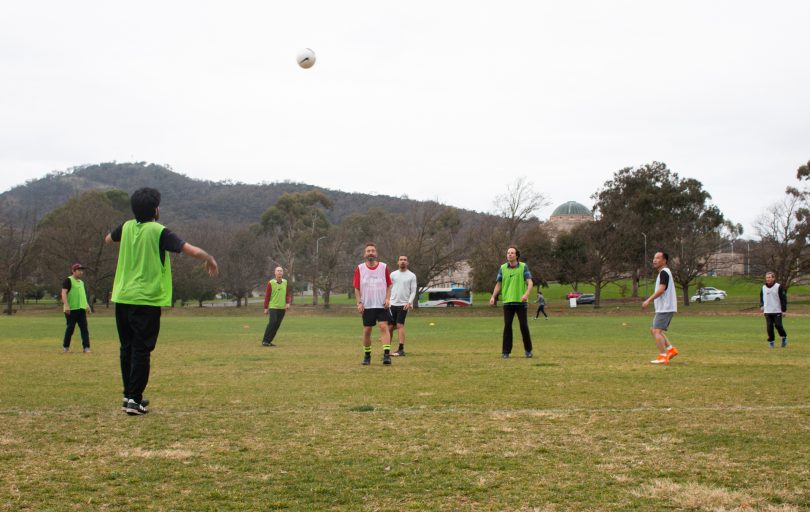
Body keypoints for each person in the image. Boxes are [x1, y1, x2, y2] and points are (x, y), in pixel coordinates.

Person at [105, 187, 218, 416]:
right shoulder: (159, 231)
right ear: (155, 210)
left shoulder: (126, 227)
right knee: (141, 350)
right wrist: (209, 257)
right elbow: (189, 250)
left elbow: (108, 239)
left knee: (126, 348)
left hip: (122, 297)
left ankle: (129, 395)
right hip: (145, 299)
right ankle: (134, 400)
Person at [489, 246, 534, 358]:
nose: (510, 254)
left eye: (512, 253)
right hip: (508, 302)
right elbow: (498, 284)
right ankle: (505, 352)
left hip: (521, 302)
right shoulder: (502, 268)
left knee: (524, 326)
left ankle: (528, 350)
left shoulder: (523, 267)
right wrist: (493, 296)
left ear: (516, 255)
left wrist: (526, 294)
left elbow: (530, 282)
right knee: (507, 326)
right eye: (508, 253)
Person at [353, 243, 393, 365]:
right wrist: (359, 302)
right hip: (367, 305)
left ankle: (386, 355)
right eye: (368, 251)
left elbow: (389, 284)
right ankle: (367, 356)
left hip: (381, 304)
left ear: (376, 253)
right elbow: (356, 287)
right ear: (365, 254)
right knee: (367, 330)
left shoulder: (383, 267)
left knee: (383, 327)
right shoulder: (360, 268)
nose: (371, 252)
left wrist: (387, 299)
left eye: (373, 251)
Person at [641, 251, 679, 364]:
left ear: (664, 260)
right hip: (664, 307)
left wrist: (648, 300)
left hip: (665, 307)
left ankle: (663, 356)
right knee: (653, 330)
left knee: (657, 331)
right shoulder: (663, 272)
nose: (654, 260)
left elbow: (662, 290)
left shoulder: (664, 272)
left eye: (658, 258)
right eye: (654, 258)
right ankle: (671, 350)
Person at [388, 255, 417, 356]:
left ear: (407, 262)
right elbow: (388, 288)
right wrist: (387, 300)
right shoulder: (393, 274)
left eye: (405, 260)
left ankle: (401, 349)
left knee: (400, 325)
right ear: (398, 262)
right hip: (392, 304)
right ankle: (387, 350)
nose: (403, 261)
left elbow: (413, 291)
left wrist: (409, 302)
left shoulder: (412, 276)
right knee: (390, 327)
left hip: (403, 304)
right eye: (401, 260)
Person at [61, 262, 92, 353]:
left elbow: (82, 296)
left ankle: (86, 347)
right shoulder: (68, 280)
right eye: (79, 270)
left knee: (84, 329)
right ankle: (65, 347)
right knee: (70, 329)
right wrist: (66, 305)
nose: (81, 272)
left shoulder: (81, 282)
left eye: (82, 270)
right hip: (71, 310)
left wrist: (87, 306)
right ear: (73, 271)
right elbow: (63, 293)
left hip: (81, 310)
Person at [262, 266, 291, 347]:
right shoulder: (270, 283)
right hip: (273, 307)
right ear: (275, 273)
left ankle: (269, 341)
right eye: (278, 271)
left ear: (283, 273)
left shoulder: (285, 282)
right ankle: (265, 340)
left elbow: (287, 294)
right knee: (272, 322)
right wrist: (265, 308)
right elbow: (267, 296)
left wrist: (288, 302)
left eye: (281, 271)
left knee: (277, 325)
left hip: (282, 308)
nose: (279, 272)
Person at [760, 271, 788, 348]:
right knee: (769, 327)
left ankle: (784, 337)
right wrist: (761, 305)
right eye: (767, 277)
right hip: (767, 311)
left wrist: (784, 310)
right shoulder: (763, 288)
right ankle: (771, 341)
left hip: (777, 310)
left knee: (778, 325)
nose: (768, 279)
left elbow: (783, 299)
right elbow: (761, 298)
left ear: (773, 278)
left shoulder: (778, 287)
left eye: (769, 277)